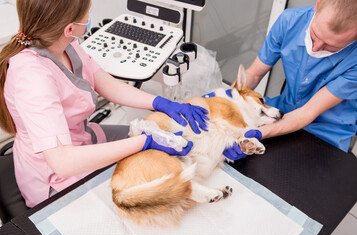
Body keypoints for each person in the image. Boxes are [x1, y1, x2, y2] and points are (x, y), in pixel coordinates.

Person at [0, 0, 209, 208]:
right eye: (87, 12)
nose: (89, 16)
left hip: (82, 138)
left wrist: (159, 103)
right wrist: (144, 142)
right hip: (56, 177)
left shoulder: (65, 44)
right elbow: (62, 162)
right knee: (138, 190)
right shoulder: (32, 78)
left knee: (159, 142)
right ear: (69, 28)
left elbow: (105, 83)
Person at [223, 0, 357, 161]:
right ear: (317, 5)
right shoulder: (289, 21)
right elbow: (254, 75)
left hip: (327, 131)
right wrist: (224, 104)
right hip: (284, 109)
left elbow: (307, 113)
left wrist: (254, 134)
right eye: (315, 35)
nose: (315, 48)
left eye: (331, 47)